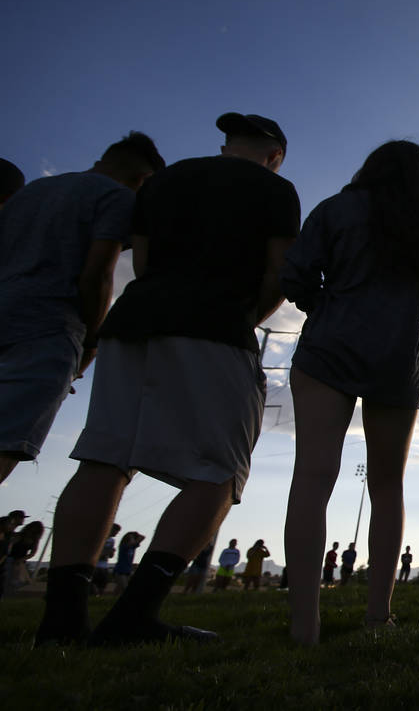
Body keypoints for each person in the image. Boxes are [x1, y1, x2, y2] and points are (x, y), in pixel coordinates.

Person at [34, 113, 298, 647]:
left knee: (105, 461)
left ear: (226, 146)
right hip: (215, 328)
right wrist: (245, 317)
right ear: (275, 155)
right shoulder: (275, 189)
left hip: (134, 322)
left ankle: (61, 623)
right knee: (218, 476)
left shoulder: (165, 181)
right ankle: (134, 616)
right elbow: (279, 274)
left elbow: (146, 261)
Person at [281, 140, 419, 643]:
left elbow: (294, 275)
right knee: (387, 487)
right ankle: (378, 616)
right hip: (398, 359)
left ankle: (303, 624)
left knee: (312, 479)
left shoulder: (337, 208)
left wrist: (329, 306)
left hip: (328, 352)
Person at [0, 133, 164, 485]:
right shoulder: (116, 197)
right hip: (47, 329)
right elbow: (98, 275)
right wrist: (89, 345)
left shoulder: (30, 192)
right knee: (5, 443)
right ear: (142, 181)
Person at [3, 520, 45, 595]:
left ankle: (10, 592)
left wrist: (22, 559)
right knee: (8, 575)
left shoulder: (34, 540)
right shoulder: (20, 535)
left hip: (19, 561)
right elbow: (10, 544)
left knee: (16, 578)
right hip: (10, 557)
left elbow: (33, 553)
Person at [112, 531, 145, 596]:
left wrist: (135, 535)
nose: (132, 540)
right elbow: (134, 543)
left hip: (128, 570)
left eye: (132, 538)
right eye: (130, 539)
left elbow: (143, 537)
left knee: (119, 588)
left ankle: (110, 600)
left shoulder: (133, 547)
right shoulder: (124, 546)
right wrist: (133, 538)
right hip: (120, 570)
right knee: (125, 588)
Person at [93, 524, 121, 595]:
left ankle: (99, 598)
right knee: (94, 583)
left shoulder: (112, 540)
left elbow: (110, 556)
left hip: (104, 565)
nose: (116, 533)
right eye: (116, 531)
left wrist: (112, 552)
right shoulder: (101, 538)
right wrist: (105, 552)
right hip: (96, 565)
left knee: (103, 584)